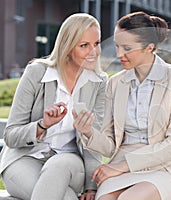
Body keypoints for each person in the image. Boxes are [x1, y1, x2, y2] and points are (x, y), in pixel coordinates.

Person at [74, 11, 171, 200]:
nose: (119, 54)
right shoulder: (115, 84)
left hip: (166, 166)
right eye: (116, 46)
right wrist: (89, 132)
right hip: (123, 165)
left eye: (127, 48)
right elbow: (110, 145)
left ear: (149, 47)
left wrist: (121, 166)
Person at [0, 13, 107, 200]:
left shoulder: (98, 82)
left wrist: (91, 186)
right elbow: (10, 135)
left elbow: (94, 139)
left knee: (59, 163)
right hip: (25, 160)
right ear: (67, 46)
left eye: (96, 44)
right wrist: (42, 125)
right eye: (84, 45)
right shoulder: (37, 73)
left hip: (69, 164)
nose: (94, 52)